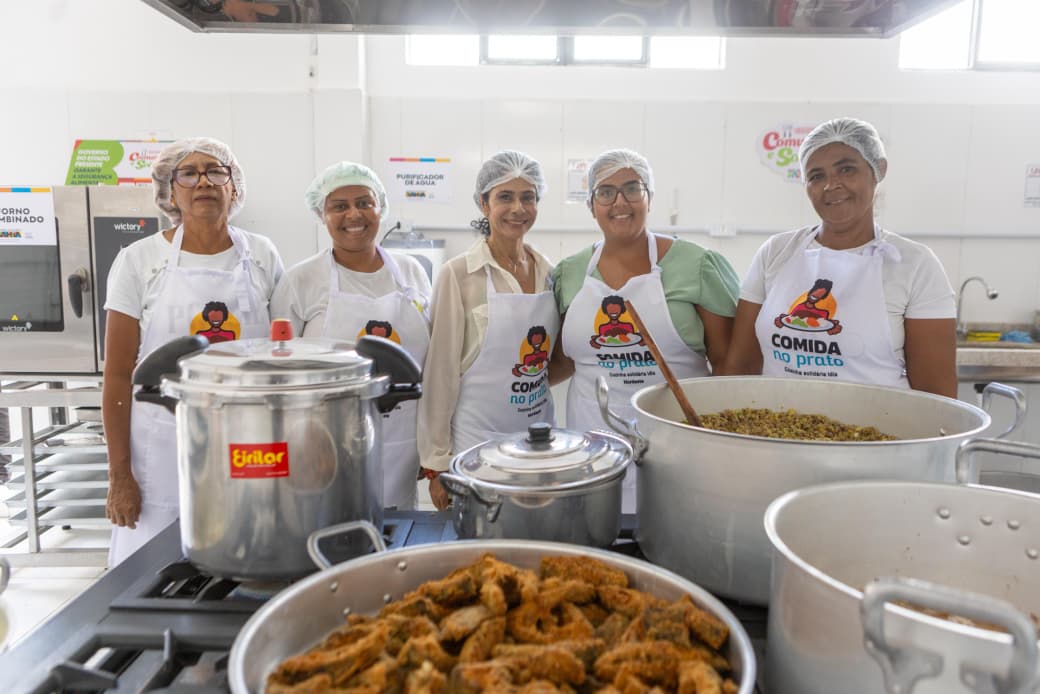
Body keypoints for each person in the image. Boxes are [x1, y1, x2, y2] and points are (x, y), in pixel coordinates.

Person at [103, 137, 284, 566]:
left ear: (233, 187)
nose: (204, 181)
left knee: (247, 558)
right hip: (163, 447)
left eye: (215, 171)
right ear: (171, 191)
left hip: (247, 439)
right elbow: (118, 374)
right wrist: (120, 475)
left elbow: (281, 355)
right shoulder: (139, 260)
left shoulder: (261, 254)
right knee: (156, 570)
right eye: (189, 173)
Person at [551, 149, 739, 513]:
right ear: (591, 206)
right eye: (605, 192)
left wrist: (723, 442)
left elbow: (729, 364)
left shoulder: (698, 265)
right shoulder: (570, 272)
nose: (620, 202)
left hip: (678, 441)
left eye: (632, 189)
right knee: (598, 530)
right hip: (593, 445)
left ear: (649, 198)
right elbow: (563, 360)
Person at [721, 117, 957, 397]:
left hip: (876, 424)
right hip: (778, 420)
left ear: (878, 170)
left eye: (846, 169)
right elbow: (741, 367)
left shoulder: (915, 265)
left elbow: (935, 394)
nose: (831, 185)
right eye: (816, 176)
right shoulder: (776, 252)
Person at [270, 161, 431, 509]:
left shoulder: (411, 272)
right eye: (339, 206)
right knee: (329, 525)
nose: (353, 214)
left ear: (380, 207)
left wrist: (429, 445)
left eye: (364, 203)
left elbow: (430, 363)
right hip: (324, 442)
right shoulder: (301, 280)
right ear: (322, 214)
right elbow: (280, 374)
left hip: (402, 441)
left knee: (396, 529)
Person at [418, 151, 559, 510]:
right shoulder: (459, 274)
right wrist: (437, 464)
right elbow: (440, 374)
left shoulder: (549, 272)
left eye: (528, 197)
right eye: (505, 197)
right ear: (484, 204)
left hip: (538, 438)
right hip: (475, 443)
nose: (518, 208)